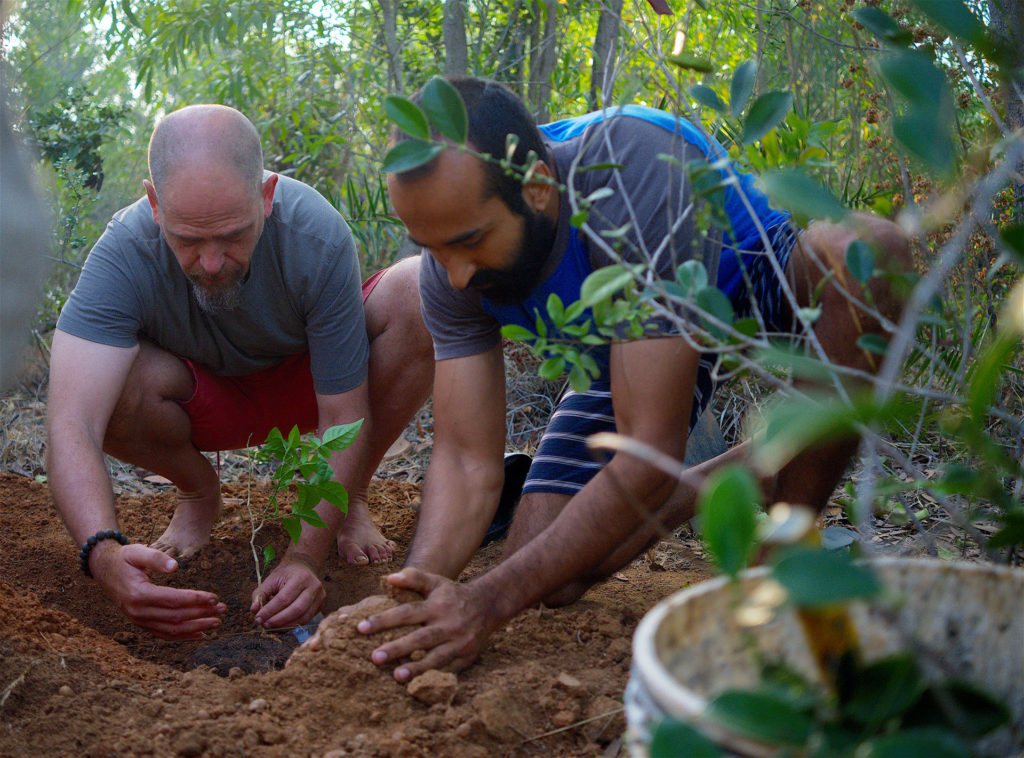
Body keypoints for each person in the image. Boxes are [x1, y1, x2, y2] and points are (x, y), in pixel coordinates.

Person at [301, 76, 912, 681]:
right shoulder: (449, 267)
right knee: (554, 572)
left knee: (865, 253)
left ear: (539, 189)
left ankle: (779, 561)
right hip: (623, 343)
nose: (453, 275)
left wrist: (486, 601)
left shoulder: (632, 168)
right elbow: (465, 460)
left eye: (470, 243)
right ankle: (744, 466)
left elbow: (646, 454)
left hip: (742, 283)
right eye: (430, 248)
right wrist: (414, 594)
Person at [46, 104, 434, 640]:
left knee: (421, 289)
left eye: (231, 234)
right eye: (188, 239)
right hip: (203, 398)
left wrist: (303, 555)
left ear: (266, 195)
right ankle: (199, 492)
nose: (211, 261)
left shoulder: (314, 233)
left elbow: (344, 412)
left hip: (313, 387)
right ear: (155, 204)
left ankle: (352, 500)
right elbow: (71, 423)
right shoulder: (123, 252)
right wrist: (101, 552)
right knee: (98, 381)